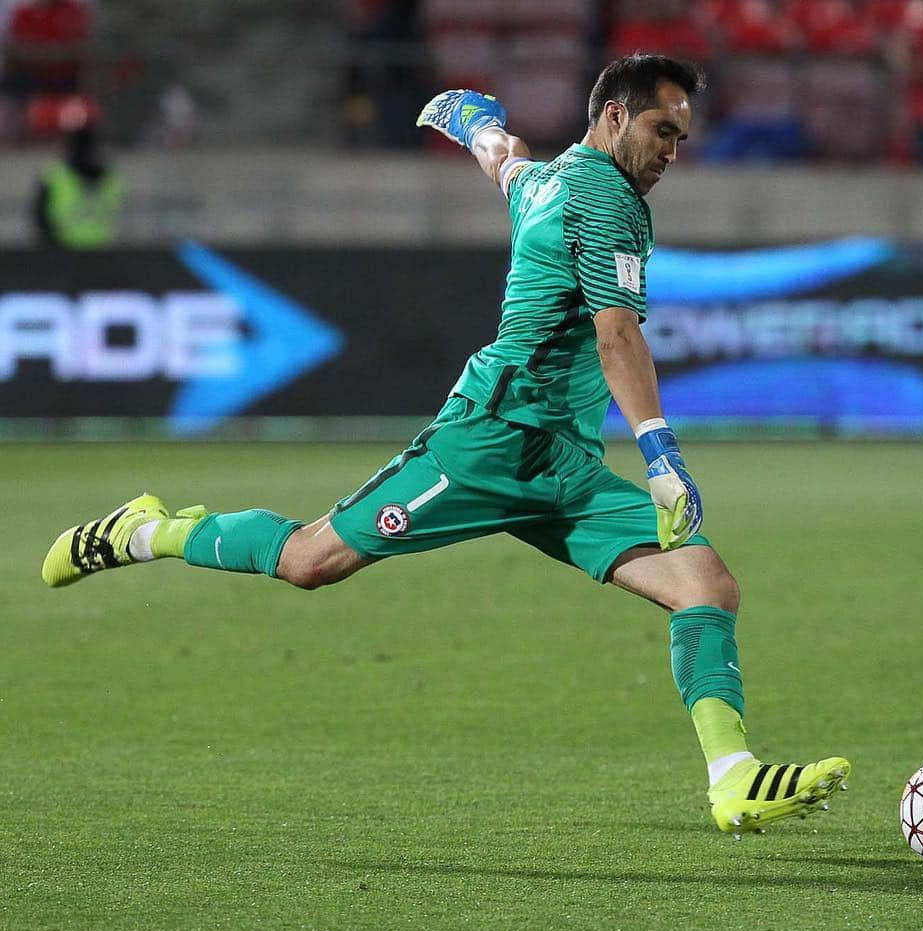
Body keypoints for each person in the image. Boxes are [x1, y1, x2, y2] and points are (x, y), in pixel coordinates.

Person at [41, 53, 849, 836]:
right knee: (309, 562)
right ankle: (144, 531)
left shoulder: (548, 181)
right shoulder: (608, 200)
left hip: (562, 465)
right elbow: (615, 336)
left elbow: (508, 163)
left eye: (681, 135)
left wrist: (477, 124)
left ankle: (732, 778)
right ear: (613, 116)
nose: (674, 150)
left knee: (706, 585)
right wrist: (661, 450)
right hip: (489, 444)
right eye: (664, 130)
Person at [33, 118, 123, 248]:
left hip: (64, 253)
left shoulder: (54, 177)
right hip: (102, 252)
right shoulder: (113, 180)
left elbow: (41, 221)